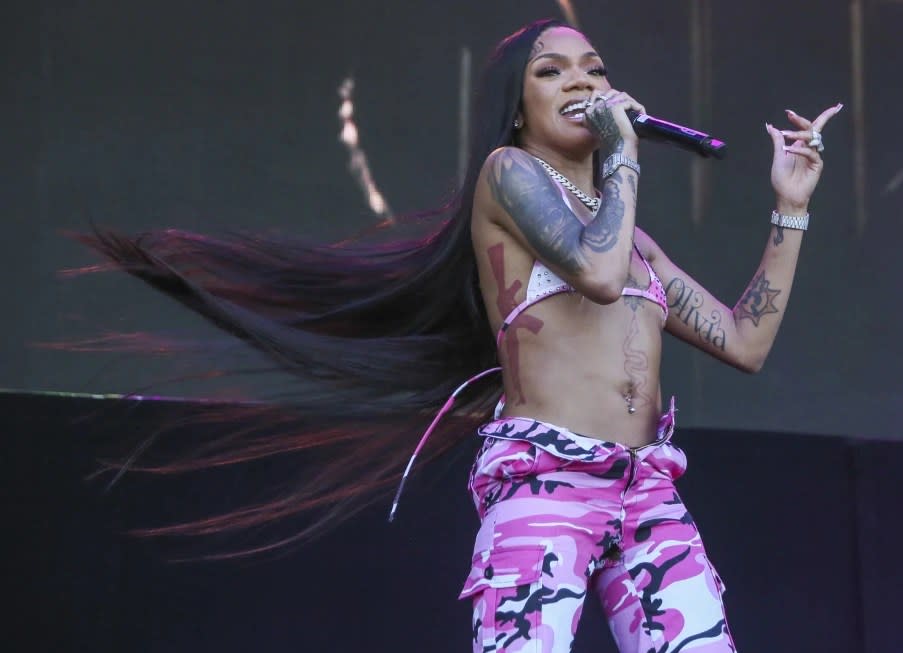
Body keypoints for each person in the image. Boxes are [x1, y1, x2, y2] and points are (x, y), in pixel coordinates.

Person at [81, 17, 840, 653]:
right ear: (517, 107)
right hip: (547, 481)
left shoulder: (636, 243)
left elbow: (745, 341)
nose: (581, 81)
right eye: (553, 71)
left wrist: (790, 207)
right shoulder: (509, 175)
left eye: (594, 69)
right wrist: (621, 152)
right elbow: (597, 274)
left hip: (647, 488)